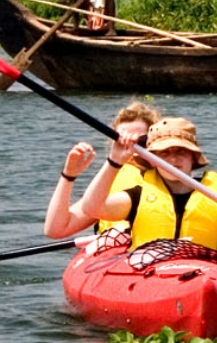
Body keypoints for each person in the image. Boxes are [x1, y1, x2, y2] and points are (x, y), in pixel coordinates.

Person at [69, 116, 217, 271]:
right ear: (153, 160)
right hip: (148, 273)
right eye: (165, 153)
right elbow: (92, 208)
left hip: (203, 275)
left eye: (181, 152)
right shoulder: (137, 195)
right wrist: (113, 161)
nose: (174, 159)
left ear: (194, 157)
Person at [44, 102, 160, 243]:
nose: (131, 150)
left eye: (140, 142)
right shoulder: (108, 184)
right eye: (122, 142)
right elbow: (55, 229)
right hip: (116, 255)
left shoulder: (176, 178)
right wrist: (68, 175)